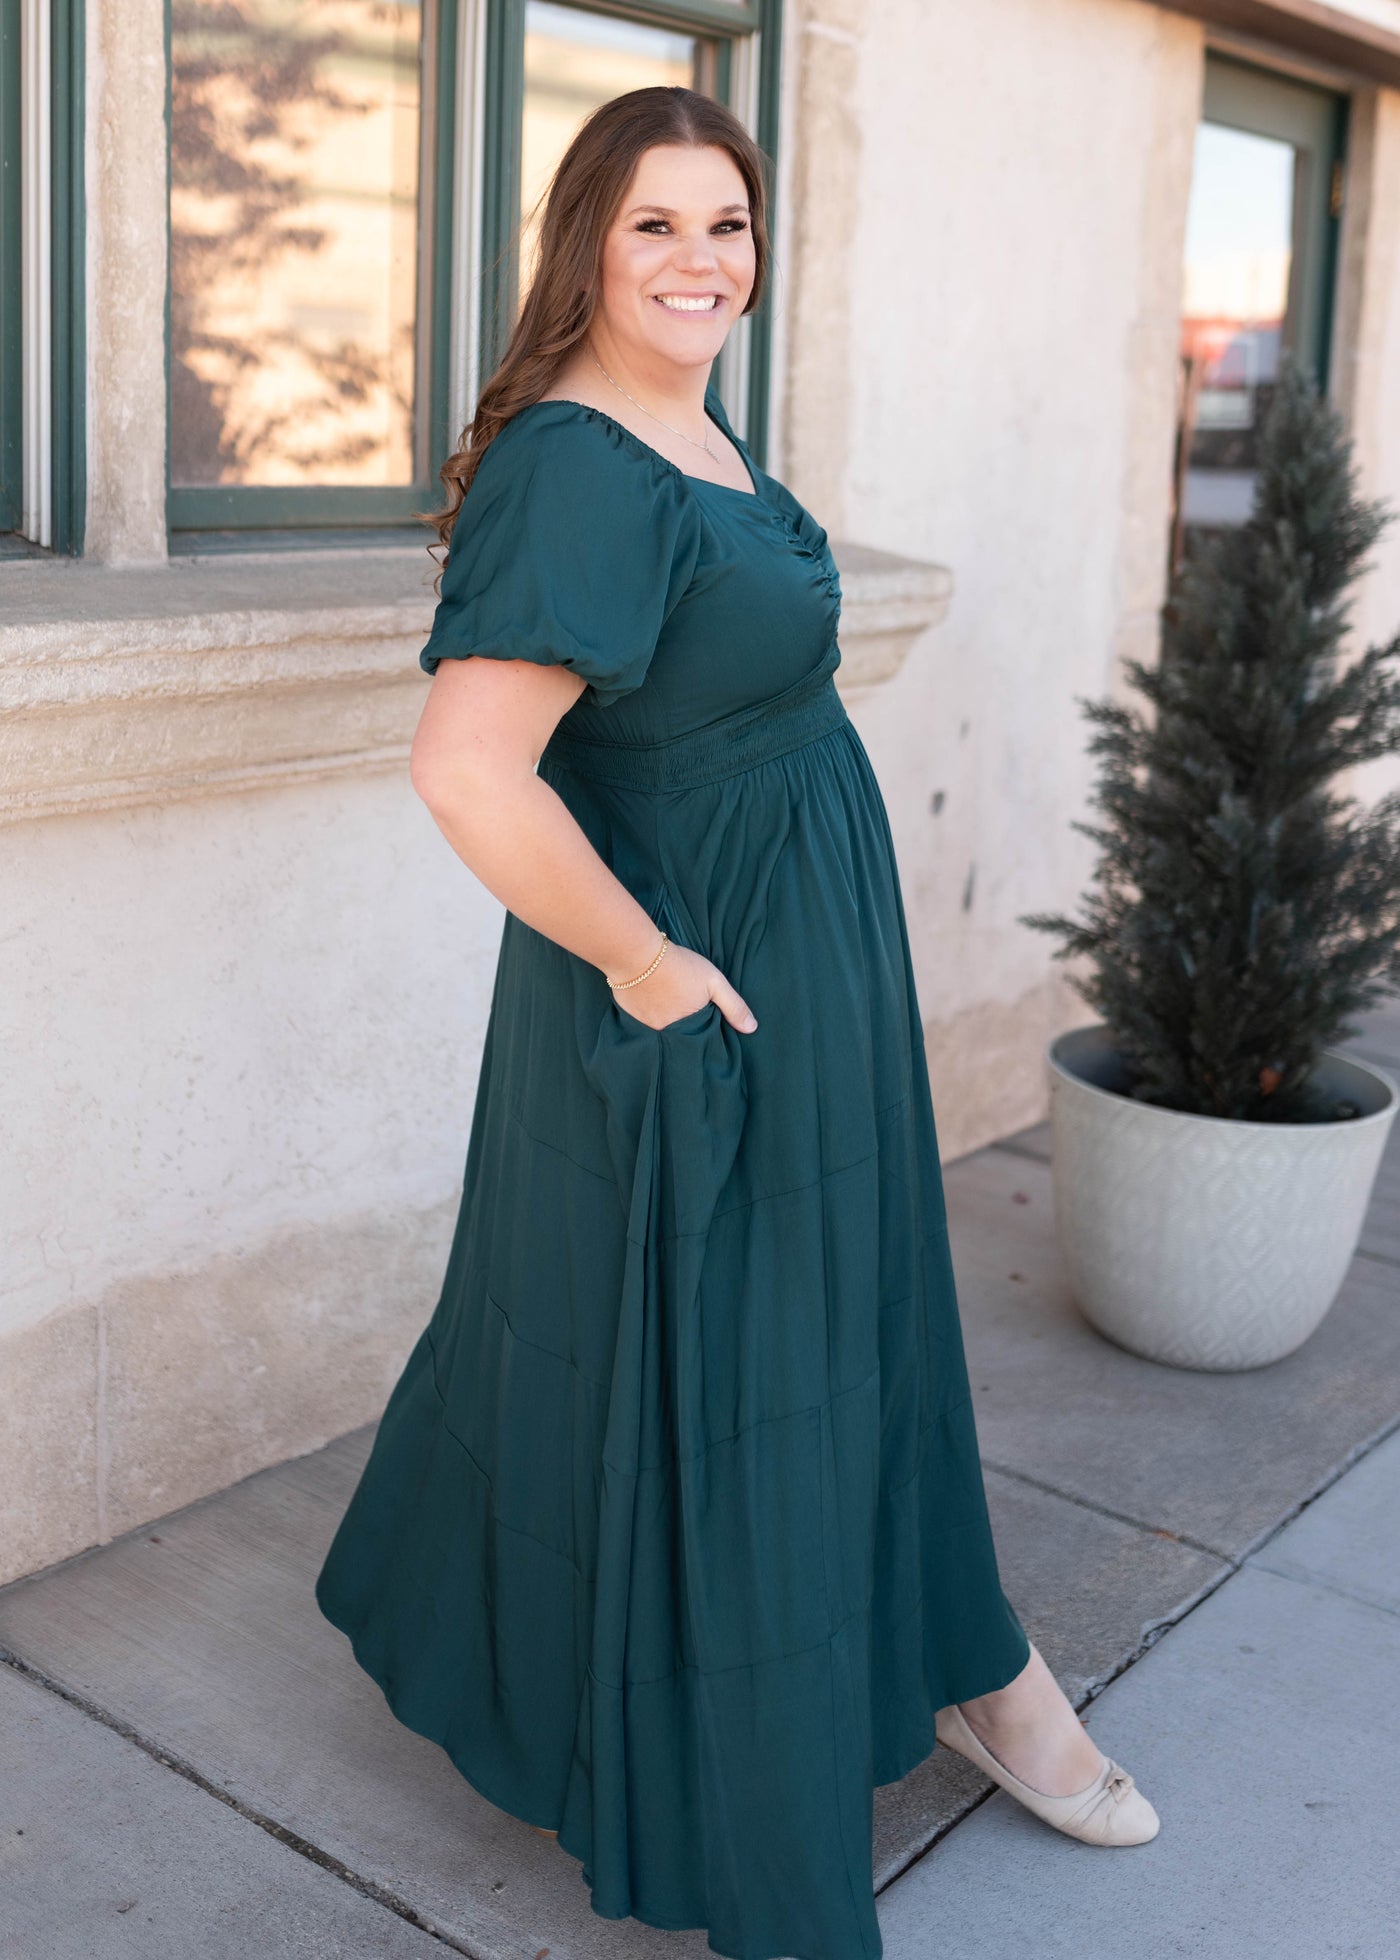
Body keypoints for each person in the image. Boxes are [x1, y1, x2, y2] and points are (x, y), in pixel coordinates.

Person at [315, 83, 1158, 1960]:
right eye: (655, 227)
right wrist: (648, 968)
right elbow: (471, 771)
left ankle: (967, 1661)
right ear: (584, 250)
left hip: (805, 965)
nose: (702, 262)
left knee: (856, 1338)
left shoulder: (690, 427)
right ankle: (833, 1749)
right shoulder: (575, 459)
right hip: (700, 989)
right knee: (742, 1381)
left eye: (729, 225)